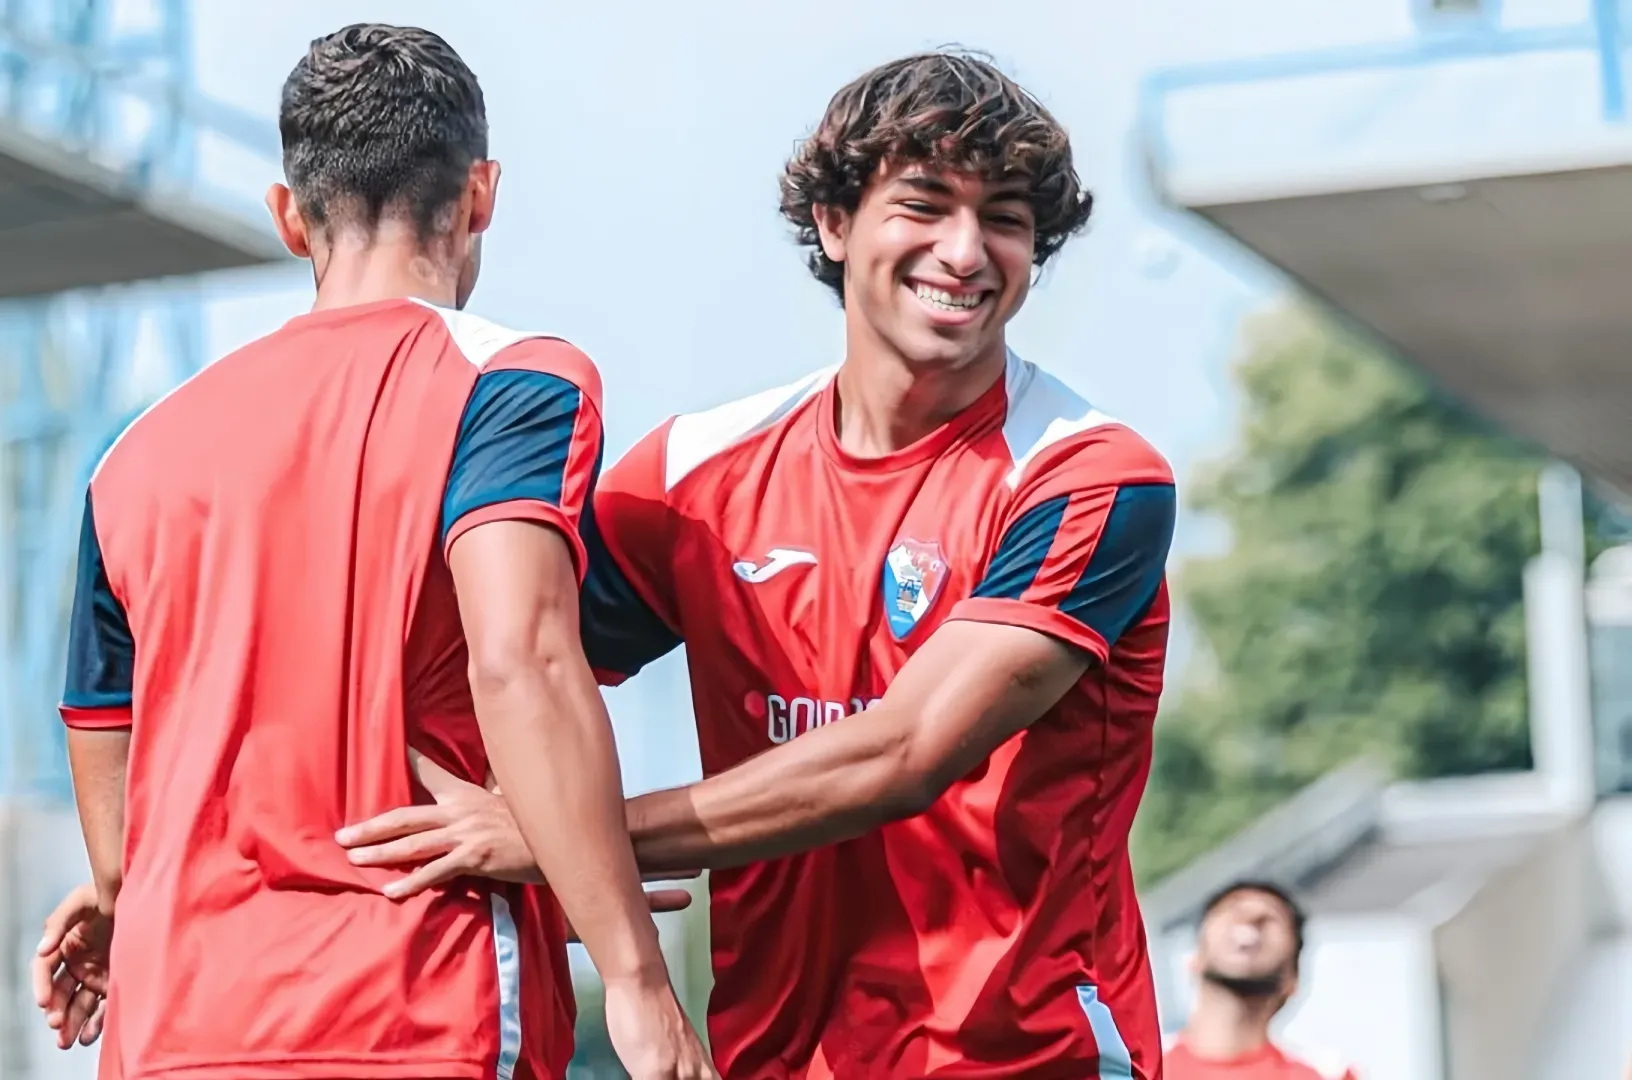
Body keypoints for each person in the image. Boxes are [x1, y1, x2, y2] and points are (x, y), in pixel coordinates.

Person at [337, 48, 1177, 1079]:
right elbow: (488, 674)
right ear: (834, 223)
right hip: (769, 1057)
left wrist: (567, 842)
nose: (966, 251)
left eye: (1005, 218)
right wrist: (140, 866)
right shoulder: (695, 473)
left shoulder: (1091, 477)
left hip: (1027, 1058)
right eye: (924, 205)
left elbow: (903, 752)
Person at [36, 23, 711, 1080]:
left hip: (174, 1031)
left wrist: (127, 904)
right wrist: (632, 974)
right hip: (411, 1011)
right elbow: (520, 658)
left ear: (289, 217)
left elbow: (108, 745)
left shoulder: (134, 452)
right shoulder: (514, 385)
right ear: (480, 195)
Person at [1163, 882, 1359, 1080]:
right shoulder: (1139, 1067)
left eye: (1272, 917)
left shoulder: (1330, 1074)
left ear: (1293, 978)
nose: (1250, 916)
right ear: (1194, 959)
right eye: (1232, 908)